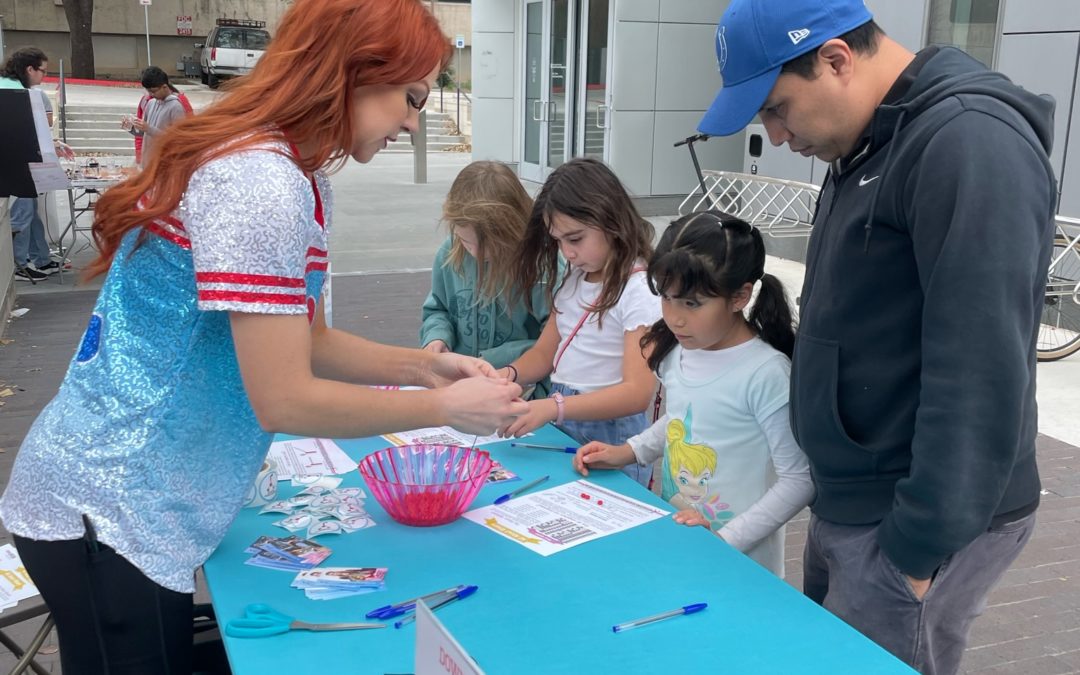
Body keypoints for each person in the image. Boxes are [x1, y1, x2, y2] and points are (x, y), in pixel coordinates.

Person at [0, 1, 527, 672]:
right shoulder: (259, 181)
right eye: (412, 97)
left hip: (137, 509)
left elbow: (308, 339)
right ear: (352, 73)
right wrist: (444, 409)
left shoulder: (296, 175)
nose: (413, 122)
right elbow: (284, 398)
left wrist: (427, 369)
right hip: (111, 511)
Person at [697, 0, 1055, 672]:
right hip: (854, 501)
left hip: (909, 519)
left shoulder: (968, 141)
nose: (775, 135)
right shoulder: (864, 140)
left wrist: (916, 549)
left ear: (835, 59)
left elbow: (980, 367)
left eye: (776, 108)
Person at [572, 211, 814, 576]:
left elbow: (799, 480)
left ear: (740, 296)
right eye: (666, 298)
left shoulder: (766, 373)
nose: (675, 317)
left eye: (692, 303)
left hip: (742, 568)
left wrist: (725, 540)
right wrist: (628, 452)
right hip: (681, 547)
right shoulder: (682, 349)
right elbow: (683, 420)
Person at [499, 157, 661, 487]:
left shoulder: (639, 290)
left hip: (610, 432)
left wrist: (553, 407)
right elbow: (544, 353)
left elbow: (636, 393)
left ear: (611, 221)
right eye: (557, 241)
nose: (567, 253)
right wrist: (507, 376)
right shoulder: (576, 277)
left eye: (575, 239)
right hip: (564, 415)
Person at [420, 160, 562, 399]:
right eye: (466, 242)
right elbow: (438, 309)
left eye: (489, 245)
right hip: (459, 388)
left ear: (513, 230)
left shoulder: (543, 266)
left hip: (522, 393)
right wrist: (436, 337)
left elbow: (557, 342)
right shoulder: (449, 252)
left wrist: (496, 363)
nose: (476, 253)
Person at [2, 47, 67, 281]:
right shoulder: (15, 93)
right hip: (15, 166)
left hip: (17, 162)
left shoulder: (16, 90)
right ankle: (19, 264)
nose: (44, 77)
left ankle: (38, 258)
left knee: (29, 212)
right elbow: (22, 132)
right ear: (29, 69)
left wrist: (52, 143)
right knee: (21, 214)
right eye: (43, 71)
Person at [129, 66, 188, 167]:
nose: (151, 94)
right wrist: (131, 127)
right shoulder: (150, 103)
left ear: (164, 87)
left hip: (164, 163)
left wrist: (149, 128)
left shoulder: (176, 107)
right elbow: (144, 133)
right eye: (148, 91)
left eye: (154, 91)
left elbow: (178, 139)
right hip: (147, 162)